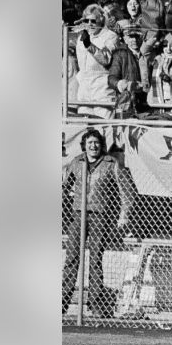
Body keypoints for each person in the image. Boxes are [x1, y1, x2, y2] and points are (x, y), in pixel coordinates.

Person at [62, 128, 135, 317]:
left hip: (99, 215)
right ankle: (61, 304)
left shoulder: (111, 163)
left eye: (96, 143)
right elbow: (64, 187)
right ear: (84, 146)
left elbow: (124, 190)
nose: (93, 146)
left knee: (95, 260)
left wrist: (124, 214)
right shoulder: (77, 162)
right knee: (71, 259)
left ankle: (95, 306)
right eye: (89, 143)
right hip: (78, 214)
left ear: (100, 145)